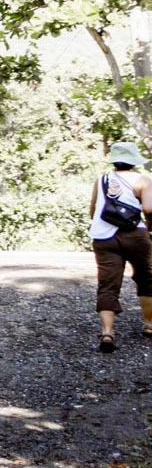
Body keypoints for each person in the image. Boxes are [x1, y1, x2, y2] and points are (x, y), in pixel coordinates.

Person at [89, 141, 152, 352]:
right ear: (134, 161)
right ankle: (149, 325)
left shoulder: (102, 179)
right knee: (146, 277)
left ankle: (107, 332)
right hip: (135, 234)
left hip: (104, 237)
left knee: (107, 283)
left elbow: (93, 209)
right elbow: (149, 208)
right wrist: (149, 228)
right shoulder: (143, 180)